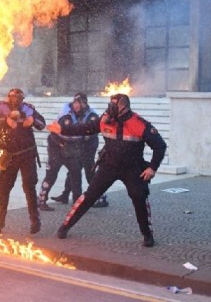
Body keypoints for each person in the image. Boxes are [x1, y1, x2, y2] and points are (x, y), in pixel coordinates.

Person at [48, 93, 167, 247]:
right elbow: (86, 128)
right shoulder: (105, 119)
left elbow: (160, 146)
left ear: (124, 107)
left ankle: (147, 235)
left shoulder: (139, 123)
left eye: (114, 106)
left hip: (132, 168)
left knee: (139, 197)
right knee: (89, 196)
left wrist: (152, 167)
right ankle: (64, 227)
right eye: (110, 105)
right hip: (109, 166)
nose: (110, 109)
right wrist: (62, 128)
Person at [0, 88, 46, 235]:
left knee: (29, 187)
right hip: (8, 155)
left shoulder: (28, 109)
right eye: (12, 97)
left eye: (18, 97)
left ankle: (35, 220)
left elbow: (41, 124)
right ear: (8, 97)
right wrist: (6, 120)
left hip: (27, 154)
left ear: (22, 99)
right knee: (3, 188)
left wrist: (29, 119)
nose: (15, 100)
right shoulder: (0, 107)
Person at [50, 93, 109, 208]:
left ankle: (102, 197)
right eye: (75, 103)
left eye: (78, 103)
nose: (75, 105)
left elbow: (91, 130)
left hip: (89, 146)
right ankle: (66, 194)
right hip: (79, 146)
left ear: (84, 103)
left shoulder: (92, 115)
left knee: (89, 172)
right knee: (73, 170)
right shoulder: (74, 114)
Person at [37, 93, 91, 211]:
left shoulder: (86, 116)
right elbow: (56, 134)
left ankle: (77, 203)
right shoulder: (66, 117)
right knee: (51, 174)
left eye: (81, 103)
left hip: (71, 149)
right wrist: (65, 143)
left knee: (76, 173)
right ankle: (41, 200)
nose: (78, 105)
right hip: (56, 147)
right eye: (76, 103)